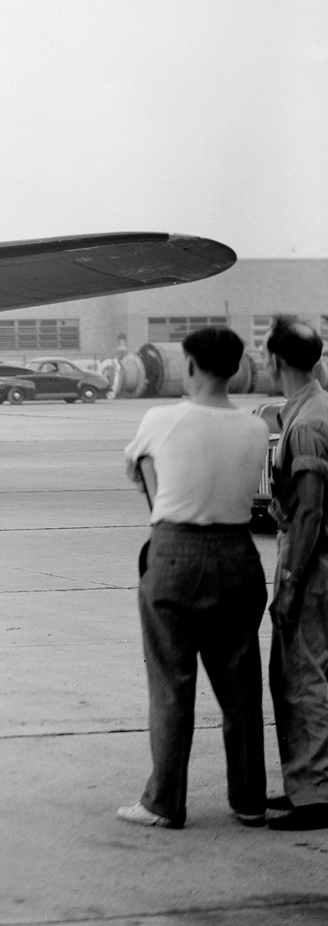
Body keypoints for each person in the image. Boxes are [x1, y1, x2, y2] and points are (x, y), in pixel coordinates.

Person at [119, 326, 270, 829]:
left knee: (171, 683)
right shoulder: (253, 426)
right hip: (238, 554)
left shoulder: (161, 418)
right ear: (235, 368)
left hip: (176, 553)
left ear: (188, 366)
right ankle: (249, 800)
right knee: (241, 686)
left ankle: (164, 802)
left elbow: (135, 465)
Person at [263, 317, 328, 831]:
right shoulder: (311, 407)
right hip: (314, 555)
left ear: (275, 362)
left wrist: (289, 584)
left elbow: (309, 511)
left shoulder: (307, 421)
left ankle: (315, 793)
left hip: (311, 563)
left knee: (302, 675)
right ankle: (307, 781)